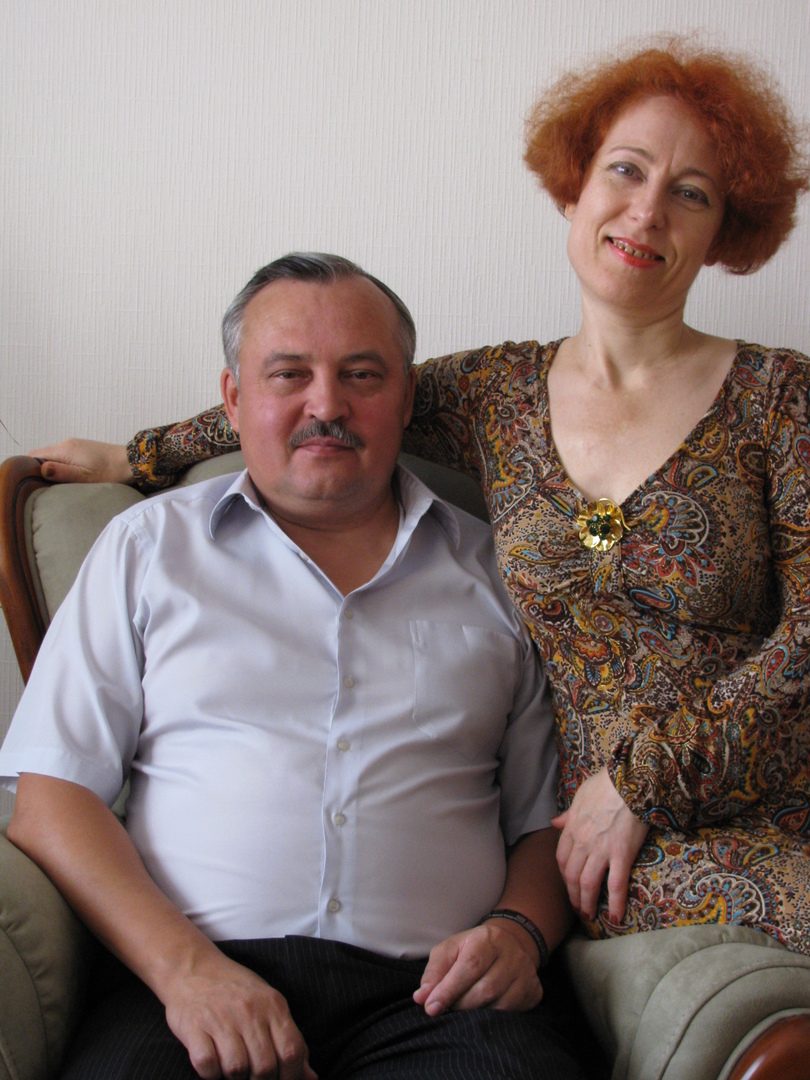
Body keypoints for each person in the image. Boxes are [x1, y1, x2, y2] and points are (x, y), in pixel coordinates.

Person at [30, 39, 810, 955]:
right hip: (589, 850)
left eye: (692, 192)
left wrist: (646, 782)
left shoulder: (781, 399)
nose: (647, 210)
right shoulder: (495, 393)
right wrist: (137, 453)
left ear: (725, 229)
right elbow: (314, 395)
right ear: (574, 186)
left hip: (749, 802)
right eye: (626, 170)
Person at [1, 255, 586, 1080]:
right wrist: (187, 974)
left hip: (438, 999)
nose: (327, 405)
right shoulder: (146, 550)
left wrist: (519, 932)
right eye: (289, 375)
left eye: (361, 375)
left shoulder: (502, 573)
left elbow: (545, 824)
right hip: (187, 981)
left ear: (407, 398)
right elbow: (52, 799)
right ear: (234, 399)